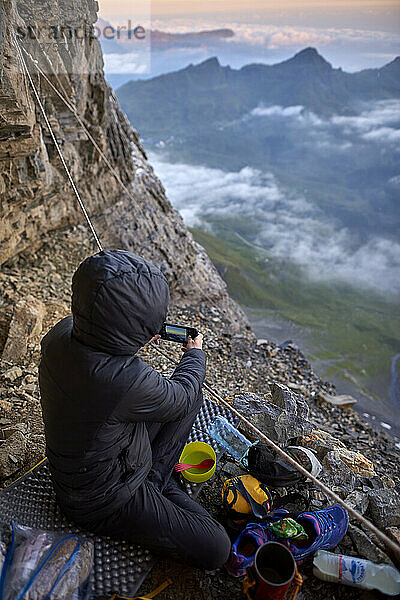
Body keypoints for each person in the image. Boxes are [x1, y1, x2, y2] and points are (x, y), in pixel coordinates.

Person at [39, 249, 231, 570]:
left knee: (191, 397)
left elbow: (171, 395)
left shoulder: (62, 333)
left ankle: (155, 479)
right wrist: (195, 353)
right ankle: (159, 481)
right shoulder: (124, 380)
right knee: (217, 547)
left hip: (100, 456)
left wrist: (134, 336)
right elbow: (180, 396)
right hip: (101, 501)